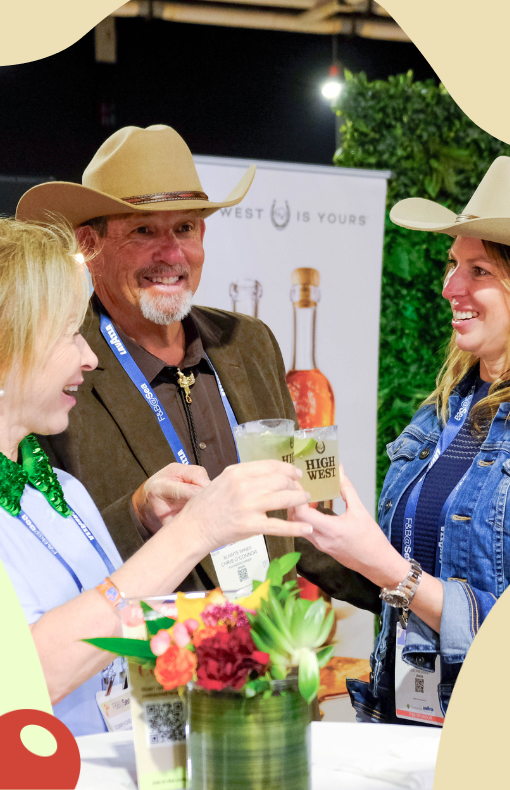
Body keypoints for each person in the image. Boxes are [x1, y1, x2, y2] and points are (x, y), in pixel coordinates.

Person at [16, 123, 379, 610]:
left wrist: (409, 595)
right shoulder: (52, 364)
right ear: (89, 245)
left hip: (271, 657)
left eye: (184, 228)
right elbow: (38, 550)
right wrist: (138, 516)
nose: (171, 254)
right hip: (145, 671)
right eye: (143, 231)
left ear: (203, 234)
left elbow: (307, 504)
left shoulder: (249, 342)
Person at [0, 217, 313, 737]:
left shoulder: (62, 492)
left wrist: (255, 646)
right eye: (66, 336)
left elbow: (120, 634)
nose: (88, 356)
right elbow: (25, 673)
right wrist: (197, 533)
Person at [290, 155, 510, 724]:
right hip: (403, 718)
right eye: (452, 263)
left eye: (478, 270)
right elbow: (403, 555)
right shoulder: (444, 410)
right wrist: (316, 532)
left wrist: (393, 573)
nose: (449, 287)